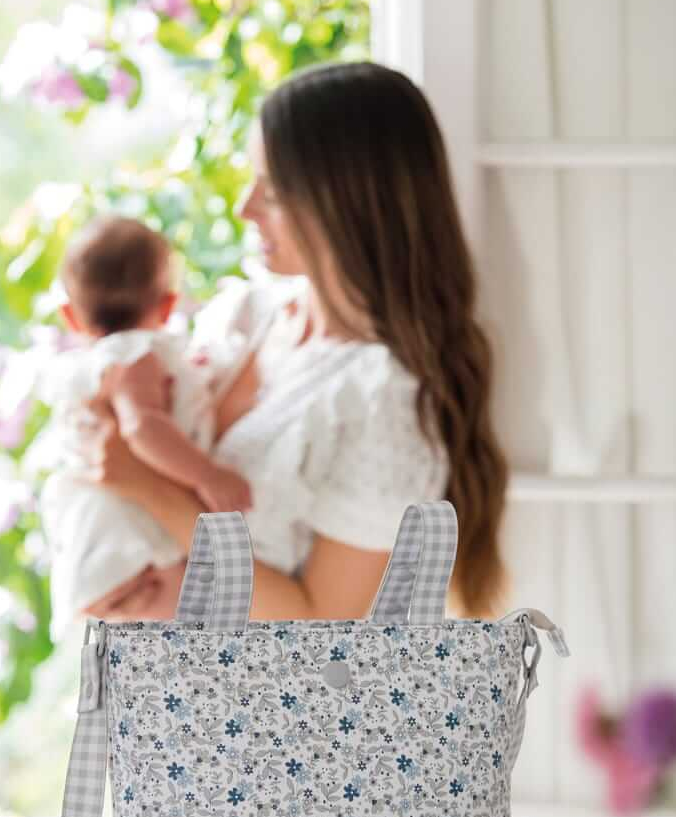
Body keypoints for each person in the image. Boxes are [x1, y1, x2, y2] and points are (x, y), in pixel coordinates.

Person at [84, 61, 508, 622]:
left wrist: (150, 491)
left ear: (347, 205)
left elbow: (317, 623)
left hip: (238, 700)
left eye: (274, 192)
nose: (245, 209)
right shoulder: (250, 313)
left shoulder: (384, 402)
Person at [40, 215, 251, 640]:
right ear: (168, 305)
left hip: (96, 535)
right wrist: (207, 476)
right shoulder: (134, 355)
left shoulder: (89, 366)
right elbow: (141, 427)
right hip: (128, 539)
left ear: (70, 316)